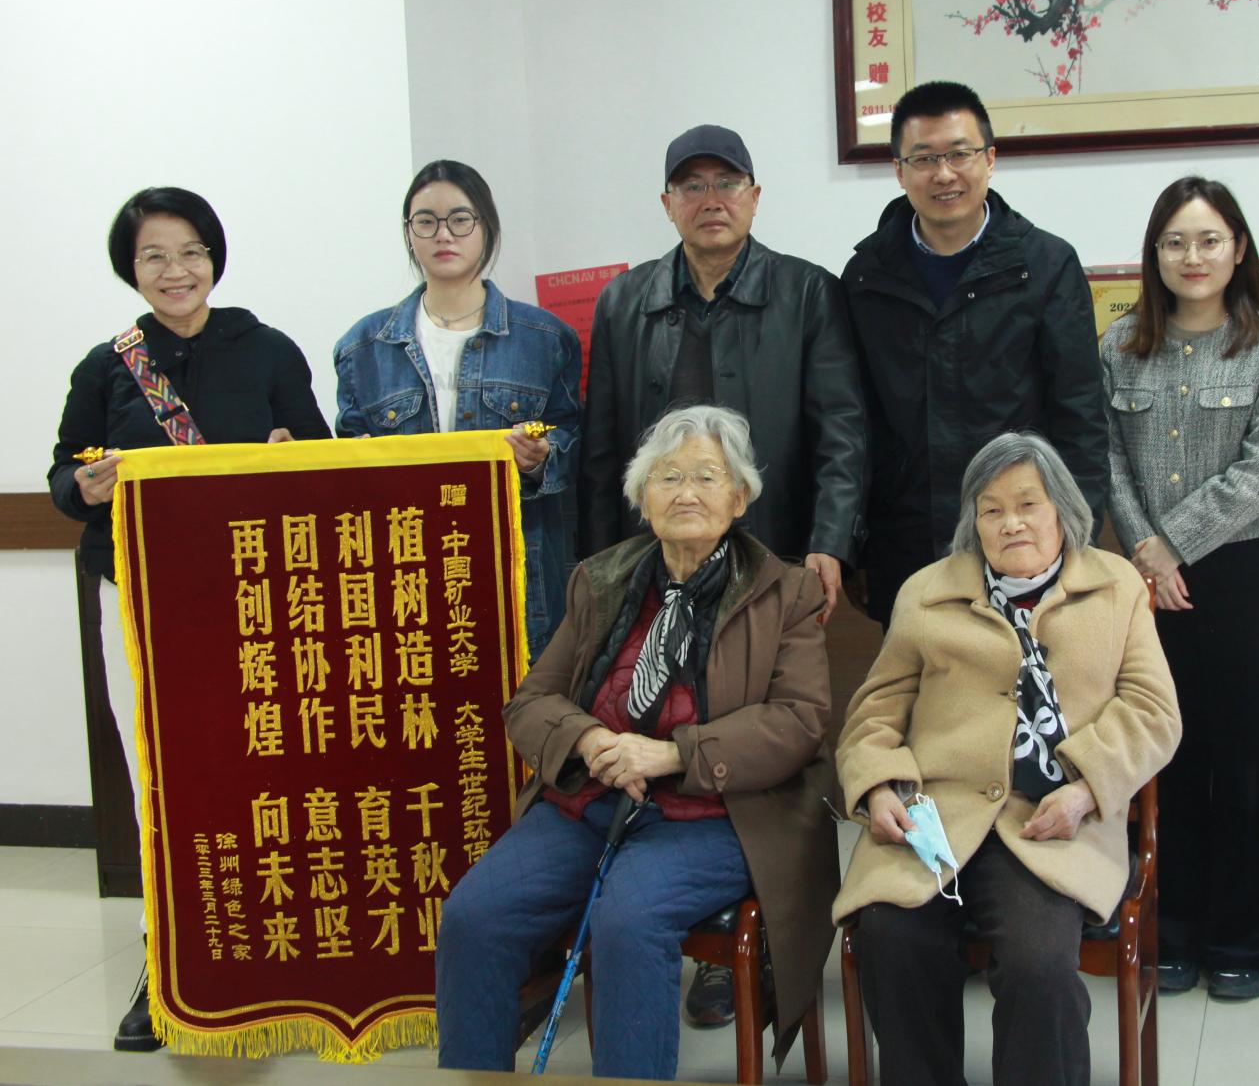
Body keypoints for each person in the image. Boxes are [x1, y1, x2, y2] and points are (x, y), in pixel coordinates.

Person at [436, 406, 840, 1079]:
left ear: (740, 498)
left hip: (720, 811)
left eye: (707, 477)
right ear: (642, 498)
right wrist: (588, 737)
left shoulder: (786, 591)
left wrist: (676, 752)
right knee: (475, 914)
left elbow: (799, 720)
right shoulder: (601, 579)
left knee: (629, 917)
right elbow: (531, 702)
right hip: (592, 801)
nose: (686, 492)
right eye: (668, 477)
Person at [577, 123, 864, 1025]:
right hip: (655, 570)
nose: (711, 200)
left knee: (758, 738)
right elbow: (602, 449)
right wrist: (600, 575)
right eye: (692, 186)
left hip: (768, 568)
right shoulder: (626, 302)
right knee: (665, 724)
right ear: (667, 203)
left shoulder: (806, 291)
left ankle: (763, 930)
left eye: (727, 182)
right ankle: (668, 912)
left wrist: (829, 540)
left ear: (755, 195)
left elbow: (843, 429)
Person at [47, 187, 331, 1052]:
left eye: (190, 252)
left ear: (214, 257)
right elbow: (62, 476)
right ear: (131, 270)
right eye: (154, 256)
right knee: (160, 774)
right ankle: (168, 954)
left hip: (253, 600)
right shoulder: (107, 366)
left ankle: (274, 942)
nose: (176, 271)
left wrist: (295, 457)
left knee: (262, 766)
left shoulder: (269, 349)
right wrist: (84, 485)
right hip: (141, 599)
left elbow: (326, 461)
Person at [834, 432, 1180, 1086]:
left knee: (1038, 963)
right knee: (891, 937)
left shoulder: (1116, 586)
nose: (1010, 522)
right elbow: (874, 714)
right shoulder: (926, 591)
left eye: (1027, 504)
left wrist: (1086, 787)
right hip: (935, 815)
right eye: (991, 509)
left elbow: (1153, 711)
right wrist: (878, 787)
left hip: (1049, 818)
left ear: (1062, 510)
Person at [1100, 176, 1259, 1001]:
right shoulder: (1119, 346)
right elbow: (1106, 459)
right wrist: (1146, 550)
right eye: (1176, 241)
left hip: (1242, 571)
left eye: (1210, 239)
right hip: (1146, 580)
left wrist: (1172, 543)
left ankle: (1244, 938)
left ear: (1239, 248)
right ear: (1155, 254)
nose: (1193, 256)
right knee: (1165, 757)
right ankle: (1169, 930)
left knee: (1246, 760)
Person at [842, 81, 1109, 626]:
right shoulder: (866, 276)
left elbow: (1080, 416)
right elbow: (855, 424)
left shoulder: (1047, 266)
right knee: (919, 679)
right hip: (906, 541)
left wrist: (1078, 537)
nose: (944, 174)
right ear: (899, 171)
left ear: (989, 159)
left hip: (1023, 539)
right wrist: (854, 542)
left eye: (960, 154)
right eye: (923, 158)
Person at [333, 159, 582, 657]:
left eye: (460, 219)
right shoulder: (363, 347)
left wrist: (541, 459)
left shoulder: (544, 339)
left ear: (486, 227)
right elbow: (349, 463)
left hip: (517, 575)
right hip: (406, 576)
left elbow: (572, 438)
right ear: (409, 233)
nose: (443, 234)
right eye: (426, 221)